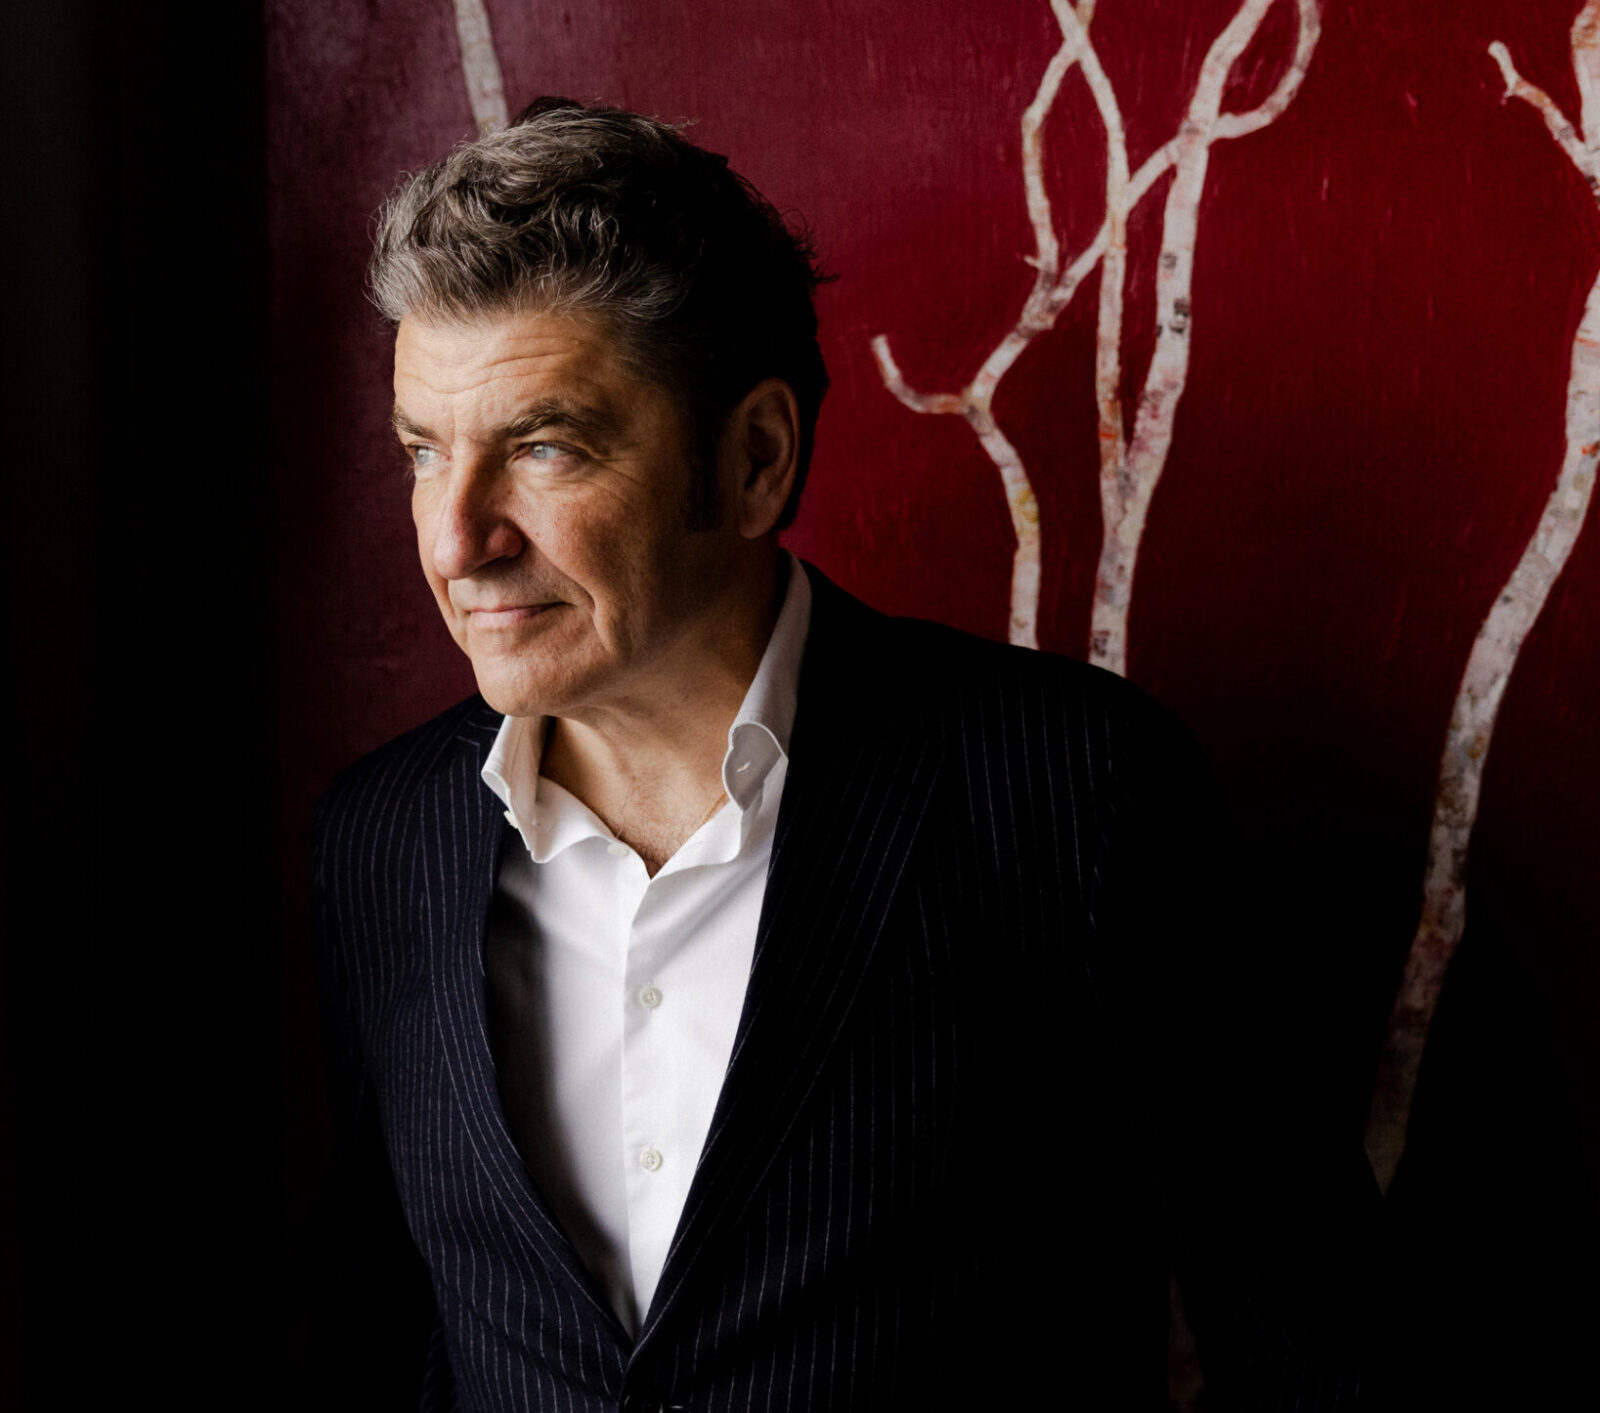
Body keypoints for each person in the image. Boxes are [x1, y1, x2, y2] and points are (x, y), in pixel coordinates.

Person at [310, 97, 1381, 1411]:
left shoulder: (1073, 791)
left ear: (755, 459)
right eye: (425, 452)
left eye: (544, 446)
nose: (455, 540)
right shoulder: (379, 841)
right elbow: (381, 1338)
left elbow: (1315, 1346)